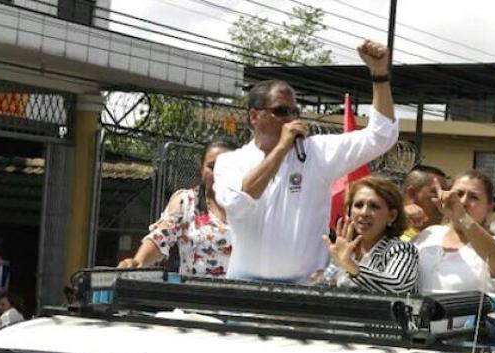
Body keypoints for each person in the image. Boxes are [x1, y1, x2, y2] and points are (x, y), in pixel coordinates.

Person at [212, 40, 397, 282]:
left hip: (304, 287)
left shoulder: (316, 152)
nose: (289, 119)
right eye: (280, 111)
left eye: (294, 112)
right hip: (243, 286)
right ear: (255, 117)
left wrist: (379, 74)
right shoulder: (230, 162)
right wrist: (281, 148)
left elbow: (381, 136)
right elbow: (239, 201)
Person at [119, 141, 236, 277]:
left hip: (243, 296)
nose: (219, 173)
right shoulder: (186, 202)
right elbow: (160, 238)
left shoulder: (253, 207)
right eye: (212, 166)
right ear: (201, 168)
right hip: (196, 295)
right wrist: (138, 261)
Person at [410, 169, 495, 294]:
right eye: (458, 194)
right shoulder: (429, 234)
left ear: (489, 208)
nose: (463, 202)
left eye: (474, 197)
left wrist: (462, 217)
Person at [320, 176, 418, 295]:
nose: (364, 212)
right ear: (349, 212)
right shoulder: (343, 248)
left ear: (392, 215)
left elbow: (396, 286)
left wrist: (350, 266)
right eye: (358, 205)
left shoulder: (402, 250)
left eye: (374, 206)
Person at [400, 164, 449, 238]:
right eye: (436, 192)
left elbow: (471, 229)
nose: (445, 198)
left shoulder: (450, 233)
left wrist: (460, 216)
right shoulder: (387, 231)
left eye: (446, 192)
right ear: (411, 194)